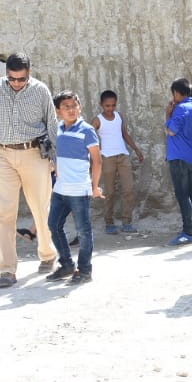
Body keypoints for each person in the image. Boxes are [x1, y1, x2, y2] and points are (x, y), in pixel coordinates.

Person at [0, 52, 58, 289]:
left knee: (41, 208)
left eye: (21, 79)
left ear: (29, 73)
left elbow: (52, 125)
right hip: (2, 155)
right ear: (6, 74)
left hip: (34, 153)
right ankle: (7, 269)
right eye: (12, 79)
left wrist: (57, 159)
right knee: (3, 214)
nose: (17, 83)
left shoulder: (40, 90)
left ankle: (47, 254)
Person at [45, 91, 103, 284]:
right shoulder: (58, 129)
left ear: (80, 107)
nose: (71, 110)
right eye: (66, 107)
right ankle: (67, 265)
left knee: (83, 232)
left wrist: (95, 187)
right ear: (58, 111)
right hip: (60, 190)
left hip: (79, 190)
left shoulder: (86, 130)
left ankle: (85, 270)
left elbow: (97, 160)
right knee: (53, 225)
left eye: (74, 105)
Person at [92, 89, 143, 234]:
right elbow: (89, 136)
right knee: (109, 192)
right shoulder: (97, 120)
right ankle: (109, 222)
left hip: (123, 156)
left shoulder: (119, 116)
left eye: (113, 105)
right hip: (107, 158)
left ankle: (127, 221)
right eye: (107, 106)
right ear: (101, 104)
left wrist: (136, 149)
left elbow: (125, 134)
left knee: (129, 190)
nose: (110, 108)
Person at [165, 78, 192, 246]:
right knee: (191, 194)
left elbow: (171, 131)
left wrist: (168, 115)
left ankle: (188, 232)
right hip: (190, 156)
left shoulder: (180, 109)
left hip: (179, 157)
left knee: (183, 195)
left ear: (176, 92)